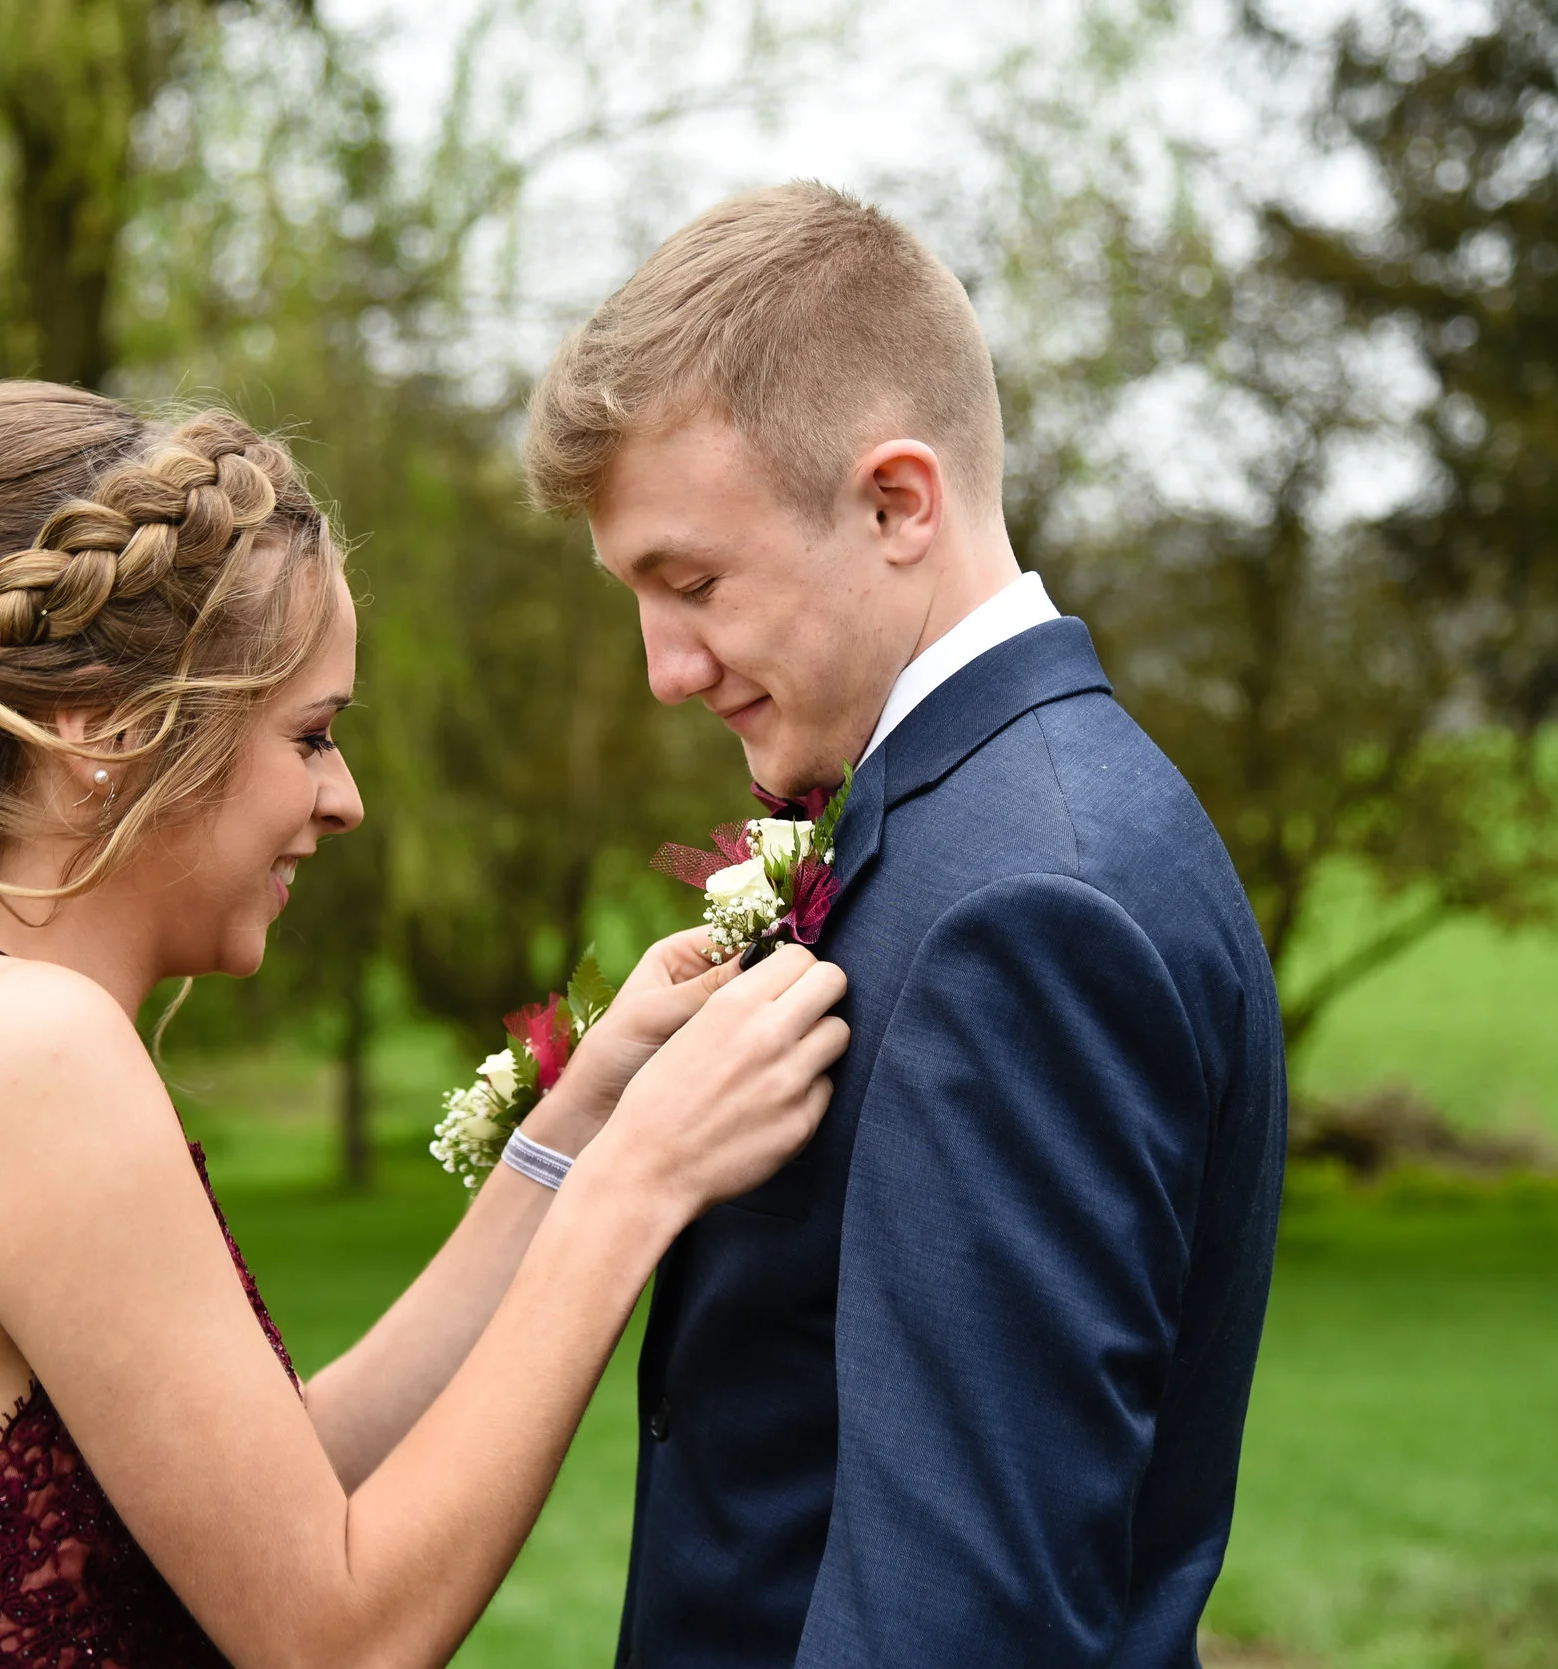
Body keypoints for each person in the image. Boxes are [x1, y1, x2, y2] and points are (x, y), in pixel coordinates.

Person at [0, 380, 850, 1669]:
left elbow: (264, 1501)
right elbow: (338, 1637)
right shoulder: (14, 1053)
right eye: (312, 736)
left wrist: (574, 1128)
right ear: (107, 733)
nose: (345, 800)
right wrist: (639, 1187)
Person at [524, 183, 1287, 1667]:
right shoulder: (994, 819)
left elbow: (965, 1615)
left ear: (896, 504)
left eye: (694, 583)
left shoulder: (1027, 908)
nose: (664, 670)